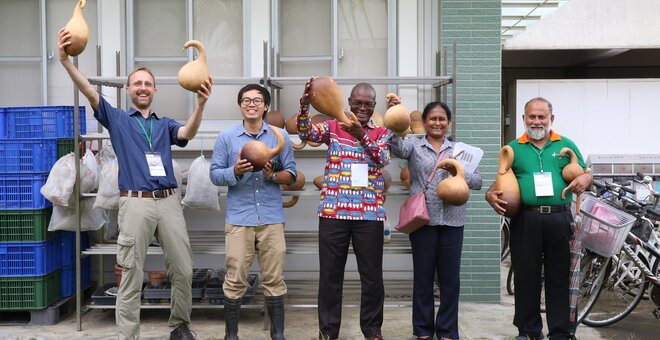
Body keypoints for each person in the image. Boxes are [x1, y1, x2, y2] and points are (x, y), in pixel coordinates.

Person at [57, 28, 212, 340]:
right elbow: (89, 91)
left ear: (154, 91)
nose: (143, 88)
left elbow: (187, 135)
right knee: (130, 272)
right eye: (138, 83)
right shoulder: (118, 120)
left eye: (148, 84)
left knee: (182, 269)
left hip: (169, 201)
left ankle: (179, 326)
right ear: (128, 90)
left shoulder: (165, 124)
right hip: (135, 202)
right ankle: (128, 335)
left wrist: (200, 105)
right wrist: (66, 62)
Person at [485, 97, 591, 340]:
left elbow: (584, 175)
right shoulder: (513, 148)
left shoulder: (565, 145)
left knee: (559, 277)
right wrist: (490, 195)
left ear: (551, 119)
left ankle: (560, 332)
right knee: (525, 276)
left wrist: (586, 179)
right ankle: (528, 331)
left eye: (541, 116)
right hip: (526, 220)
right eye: (531, 116)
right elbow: (500, 182)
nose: (536, 121)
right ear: (524, 119)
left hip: (559, 219)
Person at [297, 80, 390, 340]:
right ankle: (328, 332)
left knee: (372, 277)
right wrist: (304, 106)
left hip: (369, 214)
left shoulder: (381, 133)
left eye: (368, 104)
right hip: (333, 213)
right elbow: (306, 134)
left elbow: (382, 159)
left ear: (374, 106)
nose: (362, 108)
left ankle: (372, 330)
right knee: (330, 277)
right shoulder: (332, 127)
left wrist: (361, 135)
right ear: (348, 102)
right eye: (357, 103)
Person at [388, 101, 482, 340]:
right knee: (423, 278)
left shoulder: (459, 151)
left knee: (450, 281)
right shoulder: (413, 145)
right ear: (425, 121)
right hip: (423, 222)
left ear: (448, 123)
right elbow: (394, 146)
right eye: (433, 118)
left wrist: (459, 173)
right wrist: (396, 120)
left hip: (453, 221)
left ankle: (448, 331)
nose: (437, 123)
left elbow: (478, 182)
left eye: (442, 119)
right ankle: (422, 330)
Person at [209, 84, 296, 340]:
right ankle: (231, 335)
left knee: (275, 278)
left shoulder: (280, 137)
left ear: (266, 106)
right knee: (235, 278)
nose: (251, 104)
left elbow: (291, 175)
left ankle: (277, 334)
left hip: (271, 218)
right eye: (246, 100)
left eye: (257, 100)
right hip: (239, 218)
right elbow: (214, 175)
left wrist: (273, 175)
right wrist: (234, 172)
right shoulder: (227, 138)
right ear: (240, 106)